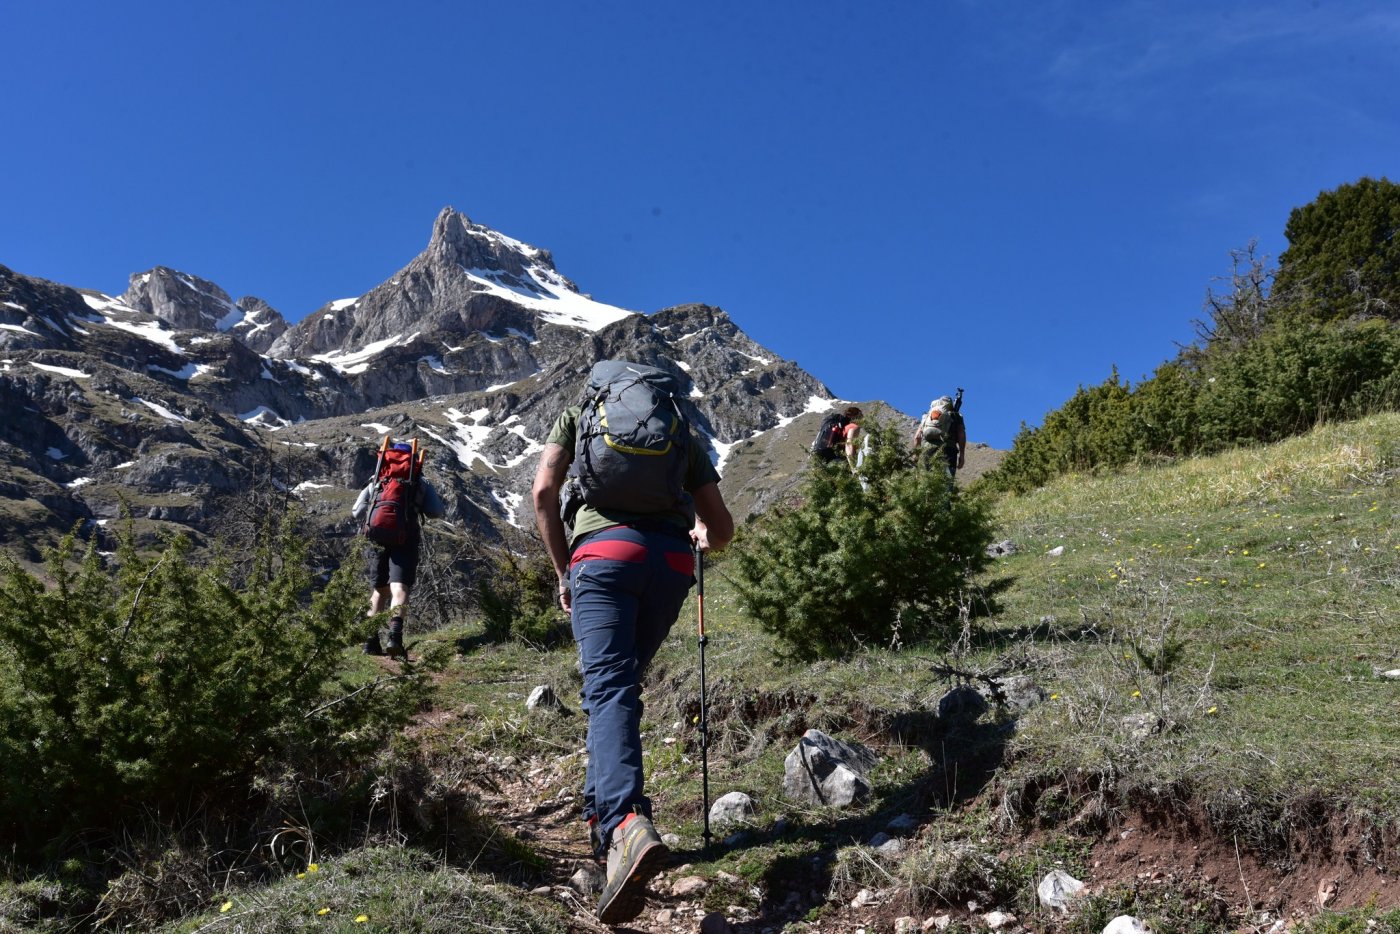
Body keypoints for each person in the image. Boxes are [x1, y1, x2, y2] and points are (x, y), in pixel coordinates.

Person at [532, 362, 734, 925]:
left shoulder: (579, 415)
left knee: (610, 687)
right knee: (615, 690)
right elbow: (721, 530)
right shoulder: (676, 429)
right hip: (668, 563)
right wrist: (694, 535)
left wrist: (562, 572)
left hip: (602, 559)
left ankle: (624, 821)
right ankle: (606, 831)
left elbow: (544, 490)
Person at [351, 442, 447, 659]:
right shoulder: (418, 481)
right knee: (399, 588)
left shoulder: (378, 480)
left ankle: (370, 641)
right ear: (413, 460)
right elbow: (436, 512)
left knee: (379, 590)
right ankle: (395, 637)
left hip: (377, 539)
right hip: (406, 538)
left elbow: (356, 512)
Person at [911, 396, 967, 481]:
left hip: (928, 450)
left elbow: (917, 437)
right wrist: (962, 455)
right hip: (949, 450)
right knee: (947, 482)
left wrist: (916, 456)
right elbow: (961, 435)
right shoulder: (956, 415)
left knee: (929, 480)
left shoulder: (927, 416)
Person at [842, 406, 864, 471]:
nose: (862, 417)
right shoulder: (854, 427)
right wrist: (853, 467)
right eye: (860, 415)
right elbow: (849, 444)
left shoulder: (845, 428)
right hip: (840, 461)